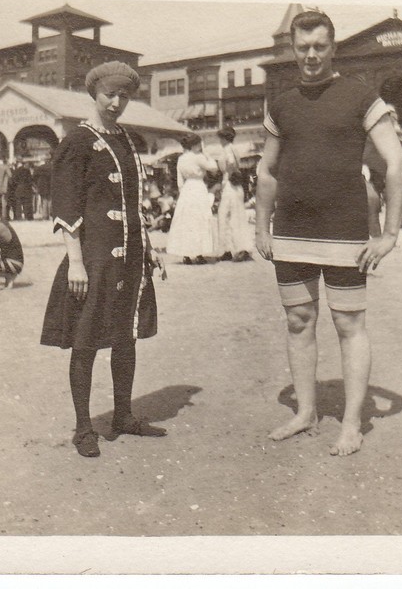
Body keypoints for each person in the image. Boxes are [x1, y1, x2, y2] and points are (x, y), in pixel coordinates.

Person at [254, 10, 402, 457]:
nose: (311, 55)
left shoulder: (361, 97)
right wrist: (261, 228)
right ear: (293, 48)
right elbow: (266, 171)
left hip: (344, 229)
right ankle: (305, 413)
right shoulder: (280, 103)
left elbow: (397, 164)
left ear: (333, 47)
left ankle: (353, 424)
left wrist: (390, 232)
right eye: (303, 47)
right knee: (299, 321)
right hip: (293, 230)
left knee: (348, 323)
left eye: (320, 46)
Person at [40, 61, 166, 458]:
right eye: (110, 94)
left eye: (124, 96)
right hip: (93, 258)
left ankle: (123, 415)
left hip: (128, 256)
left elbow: (132, 203)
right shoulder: (77, 141)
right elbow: (66, 204)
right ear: (93, 94)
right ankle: (82, 428)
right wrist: (75, 262)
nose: (116, 102)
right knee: (87, 339)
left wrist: (149, 246)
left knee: (125, 336)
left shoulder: (126, 139)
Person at [166, 133, 219, 265]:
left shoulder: (181, 158)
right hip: (198, 188)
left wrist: (182, 194)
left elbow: (179, 182)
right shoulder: (199, 157)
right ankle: (199, 254)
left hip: (186, 190)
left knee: (186, 221)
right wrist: (207, 154)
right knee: (199, 219)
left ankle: (186, 255)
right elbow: (213, 168)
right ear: (196, 145)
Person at [213, 126, 254, 262]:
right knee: (229, 216)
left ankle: (240, 249)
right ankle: (229, 249)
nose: (220, 141)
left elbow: (230, 162)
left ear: (224, 138)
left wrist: (228, 173)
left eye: (221, 138)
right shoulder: (234, 148)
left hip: (230, 185)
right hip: (233, 185)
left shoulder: (228, 149)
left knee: (229, 216)